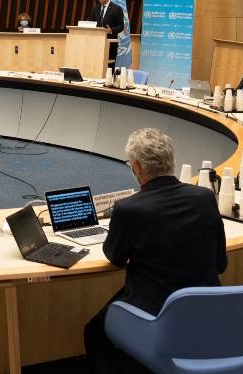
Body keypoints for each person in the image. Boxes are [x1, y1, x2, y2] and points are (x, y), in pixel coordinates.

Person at [83, 128, 226, 372]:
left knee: (93, 331)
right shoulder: (204, 197)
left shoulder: (128, 209)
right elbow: (221, 264)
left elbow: (115, 257)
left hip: (155, 313)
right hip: (207, 309)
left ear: (137, 167)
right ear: (172, 160)